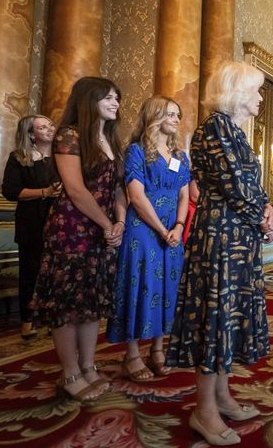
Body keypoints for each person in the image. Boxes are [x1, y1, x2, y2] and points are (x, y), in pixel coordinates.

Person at [165, 61, 273, 446]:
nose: (261, 97)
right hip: (221, 237)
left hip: (237, 235)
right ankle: (203, 410)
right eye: (257, 90)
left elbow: (249, 185)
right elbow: (235, 185)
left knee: (229, 316)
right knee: (215, 317)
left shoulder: (234, 130)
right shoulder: (214, 127)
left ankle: (222, 396)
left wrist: (266, 210)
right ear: (238, 92)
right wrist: (261, 215)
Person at [31, 76, 127, 402]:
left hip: (102, 229)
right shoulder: (69, 135)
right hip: (71, 228)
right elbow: (74, 189)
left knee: (90, 303)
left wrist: (120, 222)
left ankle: (88, 366)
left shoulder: (111, 139)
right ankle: (69, 372)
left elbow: (117, 189)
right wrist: (105, 224)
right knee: (67, 304)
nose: (116, 102)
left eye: (117, 97)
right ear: (90, 99)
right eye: (109, 97)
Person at [106, 96, 190, 381]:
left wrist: (178, 226)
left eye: (178, 114)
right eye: (170, 114)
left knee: (167, 287)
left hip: (173, 232)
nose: (176, 119)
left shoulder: (180, 156)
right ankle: (131, 356)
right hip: (142, 228)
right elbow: (136, 196)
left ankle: (157, 350)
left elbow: (184, 194)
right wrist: (160, 228)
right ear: (154, 116)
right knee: (139, 285)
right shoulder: (137, 151)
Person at [2, 115, 62, 340]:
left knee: (55, 272)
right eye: (43, 127)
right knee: (31, 271)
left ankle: (49, 317)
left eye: (50, 125)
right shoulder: (19, 158)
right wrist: (45, 192)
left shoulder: (61, 157)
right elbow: (11, 191)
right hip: (31, 223)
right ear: (30, 134)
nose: (50, 129)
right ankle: (28, 320)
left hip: (58, 223)